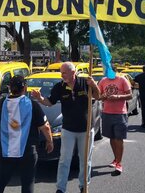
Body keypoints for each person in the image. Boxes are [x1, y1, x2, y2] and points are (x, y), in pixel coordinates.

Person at [31, 62, 100, 193]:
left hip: (86, 129)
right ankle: (61, 188)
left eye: (64, 72)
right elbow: (49, 102)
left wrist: (94, 85)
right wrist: (40, 98)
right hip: (68, 129)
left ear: (73, 72)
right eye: (61, 72)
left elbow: (98, 96)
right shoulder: (59, 87)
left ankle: (84, 185)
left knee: (85, 160)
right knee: (64, 160)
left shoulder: (85, 83)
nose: (62, 75)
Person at [0, 75, 53, 193]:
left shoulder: (3, 103)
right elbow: (45, 126)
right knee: (27, 182)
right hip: (27, 149)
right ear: (24, 88)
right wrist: (49, 141)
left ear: (10, 87)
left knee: (1, 179)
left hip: (6, 148)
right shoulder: (32, 105)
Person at [98, 74, 132, 175]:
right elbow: (98, 96)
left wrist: (118, 96)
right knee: (112, 138)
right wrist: (102, 96)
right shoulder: (103, 81)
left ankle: (119, 163)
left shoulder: (122, 80)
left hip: (120, 114)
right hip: (107, 113)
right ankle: (116, 159)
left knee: (119, 138)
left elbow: (130, 95)